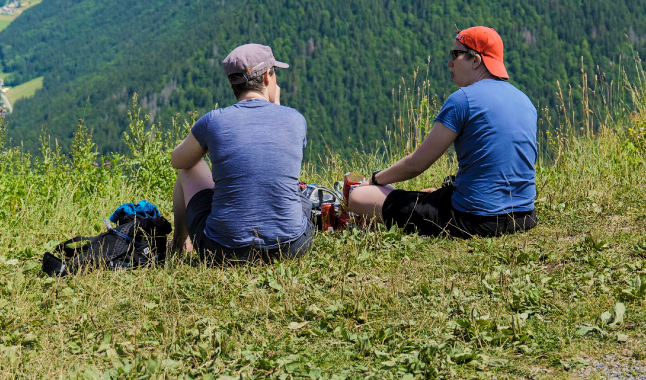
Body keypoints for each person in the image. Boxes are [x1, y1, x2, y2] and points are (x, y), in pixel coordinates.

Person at [347, 26, 538, 238]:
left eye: (455, 54)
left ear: (476, 60)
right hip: (524, 216)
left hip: (472, 220)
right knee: (429, 194)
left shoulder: (463, 99)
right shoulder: (525, 101)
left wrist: (374, 180)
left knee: (359, 196)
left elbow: (415, 165)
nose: (449, 62)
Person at [170, 43, 312, 263]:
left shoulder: (213, 121)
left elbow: (177, 160)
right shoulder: (295, 119)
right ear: (267, 77)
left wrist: (209, 144)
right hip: (292, 246)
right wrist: (278, 106)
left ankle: (179, 243)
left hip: (223, 251)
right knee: (300, 196)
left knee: (191, 166)